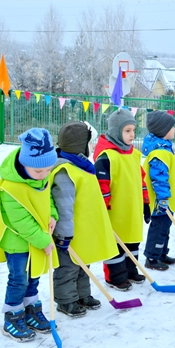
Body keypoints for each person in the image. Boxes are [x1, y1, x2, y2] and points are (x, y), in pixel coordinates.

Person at [0, 128, 59, 342]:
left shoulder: (41, 177)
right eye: (37, 171)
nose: (43, 175)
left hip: (36, 240)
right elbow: (20, 222)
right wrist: (44, 240)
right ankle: (12, 315)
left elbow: (47, 200)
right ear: (24, 164)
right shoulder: (11, 188)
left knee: (33, 277)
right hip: (17, 243)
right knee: (19, 280)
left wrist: (52, 215)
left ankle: (31, 309)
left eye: (47, 170)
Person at [51, 121, 119, 317]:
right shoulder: (65, 171)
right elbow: (64, 205)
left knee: (84, 263)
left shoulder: (83, 167)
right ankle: (66, 300)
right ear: (79, 145)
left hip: (84, 229)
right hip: (68, 233)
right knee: (68, 267)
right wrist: (63, 234)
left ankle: (82, 294)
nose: (92, 147)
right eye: (90, 143)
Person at [94, 109, 151, 291]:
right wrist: (102, 209)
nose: (132, 135)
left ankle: (130, 270)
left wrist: (146, 202)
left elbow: (141, 180)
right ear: (116, 131)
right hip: (115, 211)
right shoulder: (106, 157)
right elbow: (102, 186)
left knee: (132, 241)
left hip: (132, 209)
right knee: (116, 246)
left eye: (133, 130)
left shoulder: (134, 155)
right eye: (127, 131)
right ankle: (115, 276)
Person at [142, 111, 175, 270]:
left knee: (165, 227)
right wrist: (162, 198)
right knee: (159, 228)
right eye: (172, 127)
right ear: (163, 130)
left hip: (166, 199)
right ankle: (152, 258)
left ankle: (161, 252)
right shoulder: (159, 153)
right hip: (160, 200)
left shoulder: (164, 148)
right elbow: (159, 178)